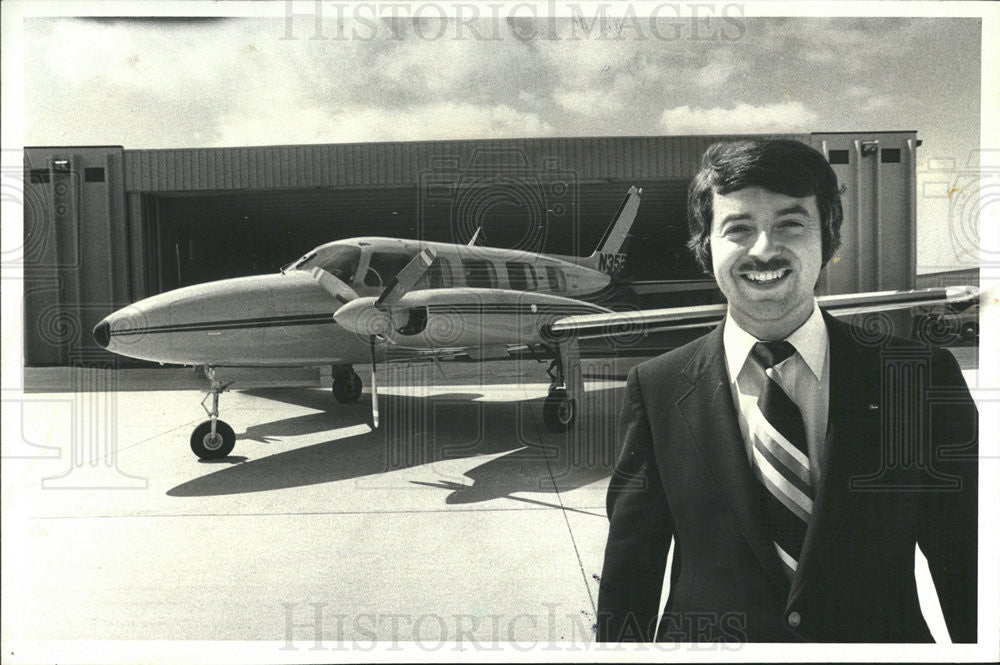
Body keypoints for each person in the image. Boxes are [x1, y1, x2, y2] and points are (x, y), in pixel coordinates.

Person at [596, 139, 978, 643]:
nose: (763, 249)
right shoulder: (657, 387)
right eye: (738, 228)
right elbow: (630, 573)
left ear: (830, 240)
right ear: (706, 247)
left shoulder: (920, 377)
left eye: (790, 224)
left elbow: (969, 562)